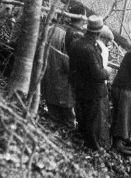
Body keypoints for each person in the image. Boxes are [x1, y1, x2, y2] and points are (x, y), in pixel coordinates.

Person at [67, 15, 110, 151]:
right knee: (92, 119)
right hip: (92, 90)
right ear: (97, 33)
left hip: (78, 86)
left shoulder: (75, 43)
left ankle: (81, 136)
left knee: (81, 114)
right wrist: (107, 71)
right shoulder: (90, 49)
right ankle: (93, 145)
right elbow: (97, 73)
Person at [41, 20, 75, 125]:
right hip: (62, 80)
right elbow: (66, 62)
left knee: (52, 108)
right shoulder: (66, 35)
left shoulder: (48, 29)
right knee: (67, 114)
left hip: (46, 73)